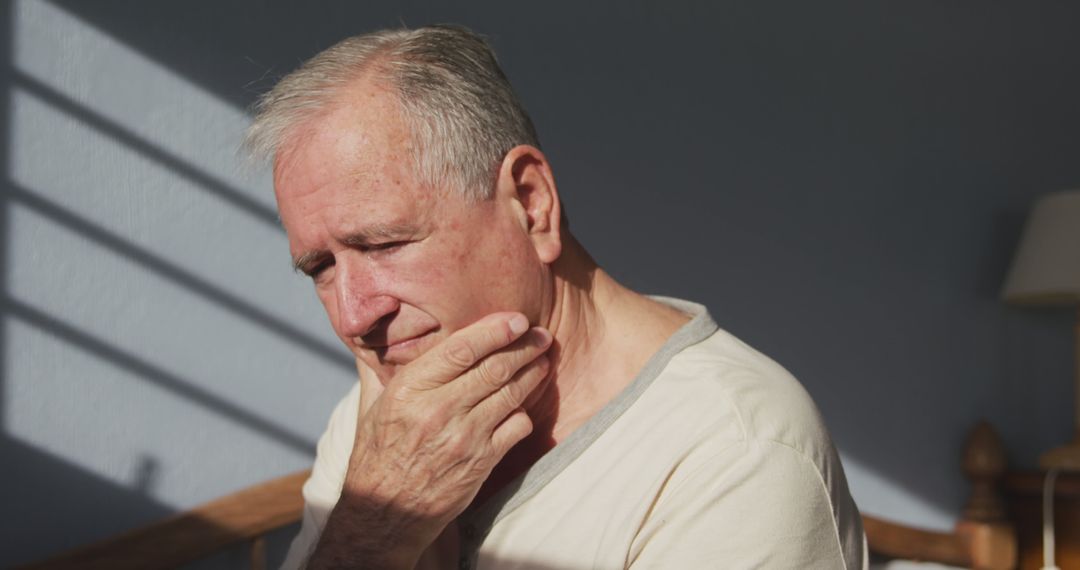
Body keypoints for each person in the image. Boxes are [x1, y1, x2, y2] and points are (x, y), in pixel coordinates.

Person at [246, 24, 866, 570]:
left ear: (531, 203)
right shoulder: (385, 423)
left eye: (384, 243)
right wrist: (371, 530)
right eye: (320, 267)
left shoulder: (734, 449)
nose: (354, 315)